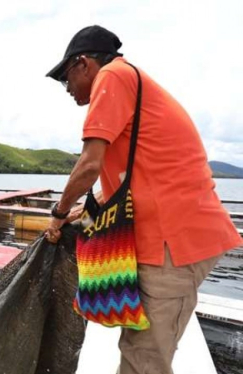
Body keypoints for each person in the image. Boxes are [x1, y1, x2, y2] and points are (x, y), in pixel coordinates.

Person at [44, 25, 242, 374]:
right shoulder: (130, 85)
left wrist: (57, 214)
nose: (67, 89)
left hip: (176, 243)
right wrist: (84, 214)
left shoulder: (113, 76)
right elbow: (125, 184)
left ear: (83, 64)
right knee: (139, 348)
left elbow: (90, 165)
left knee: (144, 359)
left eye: (65, 78)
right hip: (172, 236)